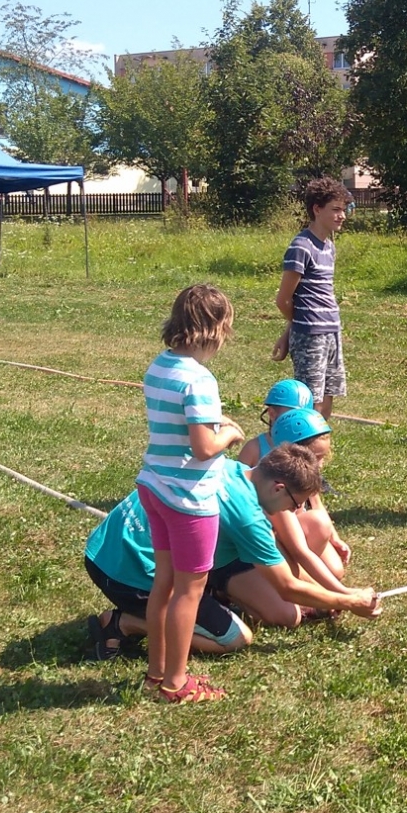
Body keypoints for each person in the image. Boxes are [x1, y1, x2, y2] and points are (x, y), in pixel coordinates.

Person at [84, 444, 381, 658]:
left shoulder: (233, 469)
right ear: (278, 488)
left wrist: (342, 593)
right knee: (236, 639)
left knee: (281, 613)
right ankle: (124, 623)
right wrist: (348, 599)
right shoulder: (247, 517)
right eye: (297, 502)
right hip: (128, 574)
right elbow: (287, 588)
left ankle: (212, 596)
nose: (297, 510)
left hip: (102, 546)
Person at [137, 284, 244, 704]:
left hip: (154, 486)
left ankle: (156, 673)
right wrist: (230, 434)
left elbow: (179, 427)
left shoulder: (160, 366)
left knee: (163, 583)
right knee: (189, 590)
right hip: (188, 498)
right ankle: (177, 684)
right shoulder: (200, 380)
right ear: (214, 328)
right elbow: (203, 448)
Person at [244, 407, 352, 592]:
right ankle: (298, 580)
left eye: (323, 457)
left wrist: (335, 538)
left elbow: (317, 505)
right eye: (317, 457)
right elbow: (299, 550)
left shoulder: (303, 474)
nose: (321, 464)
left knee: (335, 570)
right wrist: (334, 595)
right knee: (318, 525)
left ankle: (304, 579)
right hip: (274, 545)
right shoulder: (281, 486)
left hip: (297, 537)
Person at [273, 177, 351, 418]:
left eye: (344, 210)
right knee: (310, 401)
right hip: (311, 336)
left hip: (331, 332)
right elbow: (284, 300)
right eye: (336, 210)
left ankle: (318, 451)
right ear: (317, 209)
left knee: (328, 395)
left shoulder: (329, 246)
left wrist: (287, 331)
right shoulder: (301, 247)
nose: (342, 216)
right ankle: (302, 453)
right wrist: (294, 331)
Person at [236, 379, 315, 467]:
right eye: (292, 416)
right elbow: (238, 479)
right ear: (272, 414)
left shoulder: (309, 448)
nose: (299, 422)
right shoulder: (254, 449)